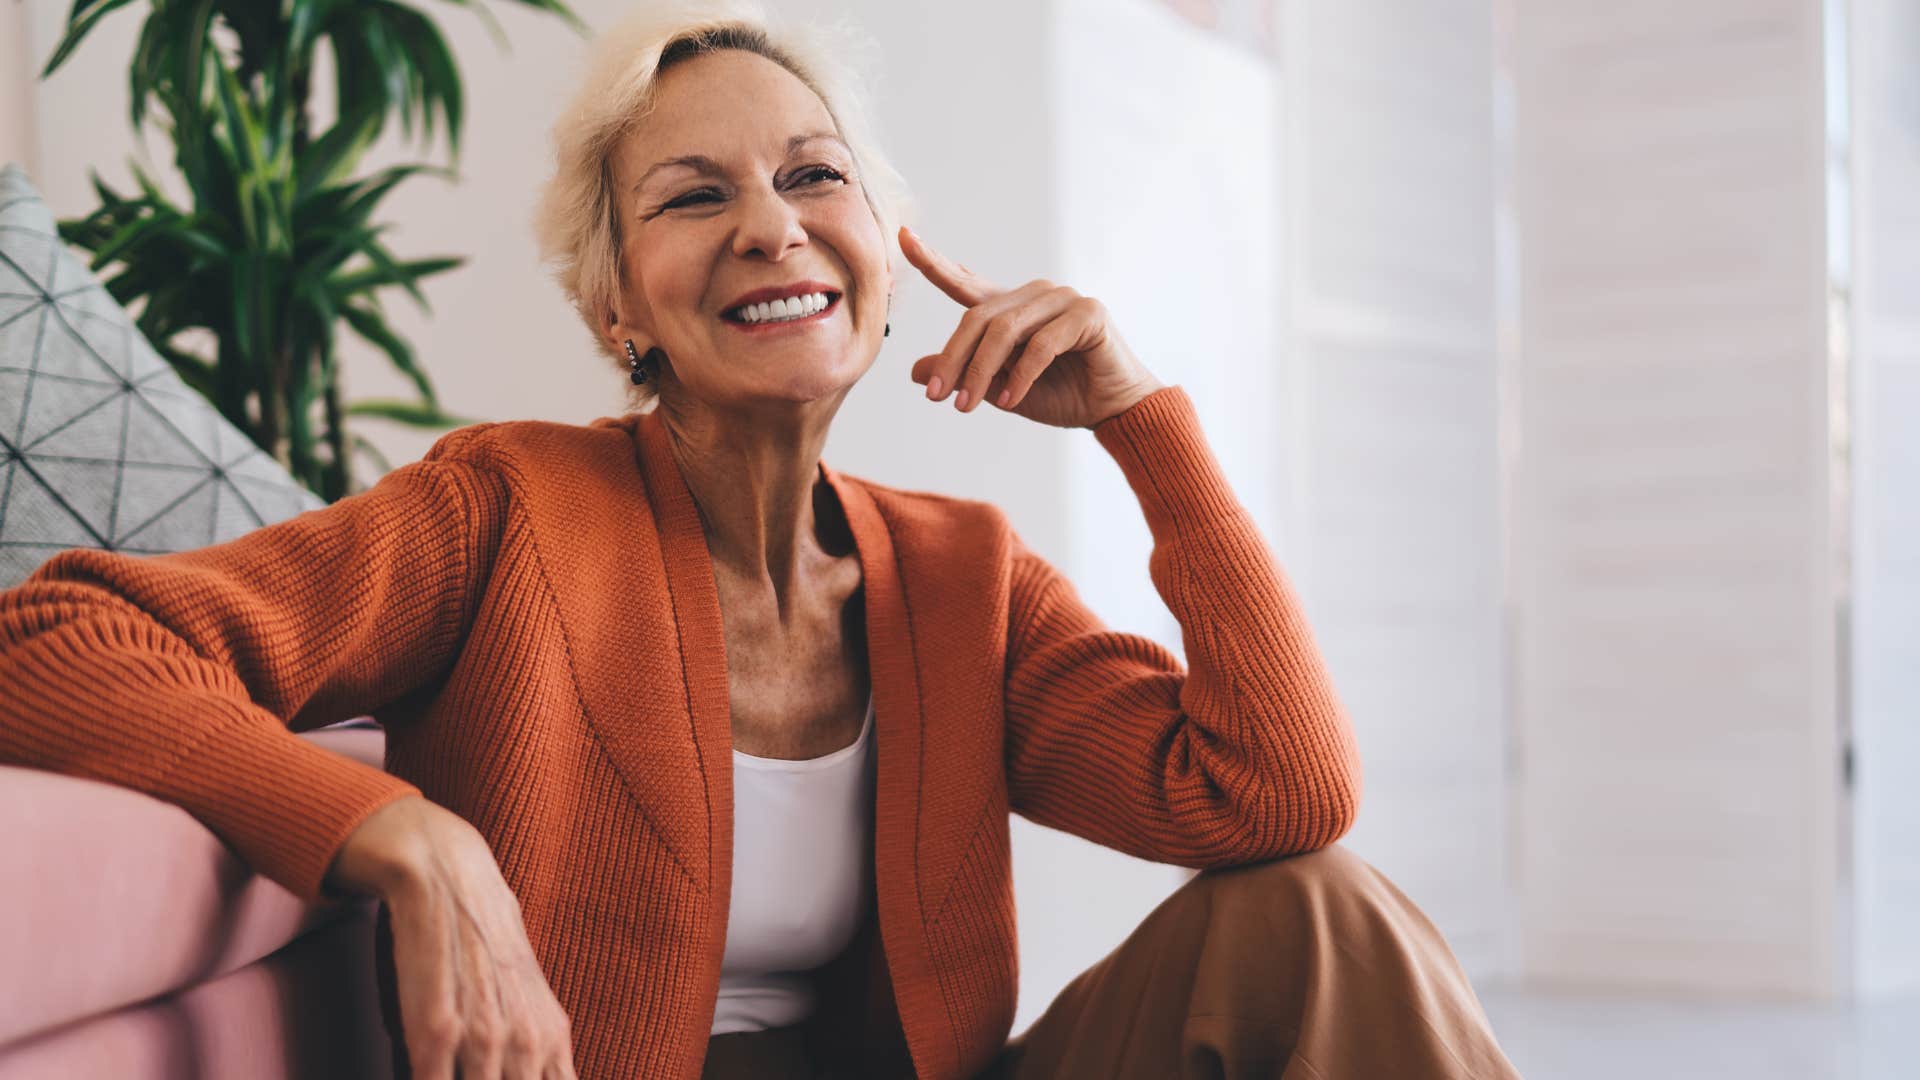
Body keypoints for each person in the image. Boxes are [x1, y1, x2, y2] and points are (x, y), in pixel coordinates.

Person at [0, 2, 1524, 1078]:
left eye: (814, 175)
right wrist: (404, 835)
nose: (771, 224)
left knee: (1320, 915)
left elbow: (1275, 794)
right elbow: (57, 639)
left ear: (880, 250)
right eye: (692, 195)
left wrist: (1146, 427)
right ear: (616, 307)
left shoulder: (965, 578)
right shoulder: (503, 510)